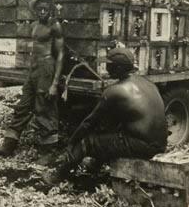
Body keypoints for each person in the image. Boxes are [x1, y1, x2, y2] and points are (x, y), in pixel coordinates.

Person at [43, 47, 168, 184]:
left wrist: (72, 142)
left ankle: (57, 176)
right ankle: (95, 166)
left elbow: (89, 123)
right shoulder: (148, 83)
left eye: (110, 65)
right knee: (109, 133)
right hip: (160, 143)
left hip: (144, 146)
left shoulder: (115, 90)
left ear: (119, 68)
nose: (107, 68)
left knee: (88, 142)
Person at [0, 0, 64, 162]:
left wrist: (54, 83)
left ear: (50, 6)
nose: (42, 9)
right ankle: (8, 145)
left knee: (44, 108)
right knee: (23, 105)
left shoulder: (55, 26)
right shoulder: (34, 25)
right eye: (39, 6)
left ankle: (48, 152)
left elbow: (60, 54)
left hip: (47, 68)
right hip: (34, 69)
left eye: (45, 6)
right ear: (36, 8)